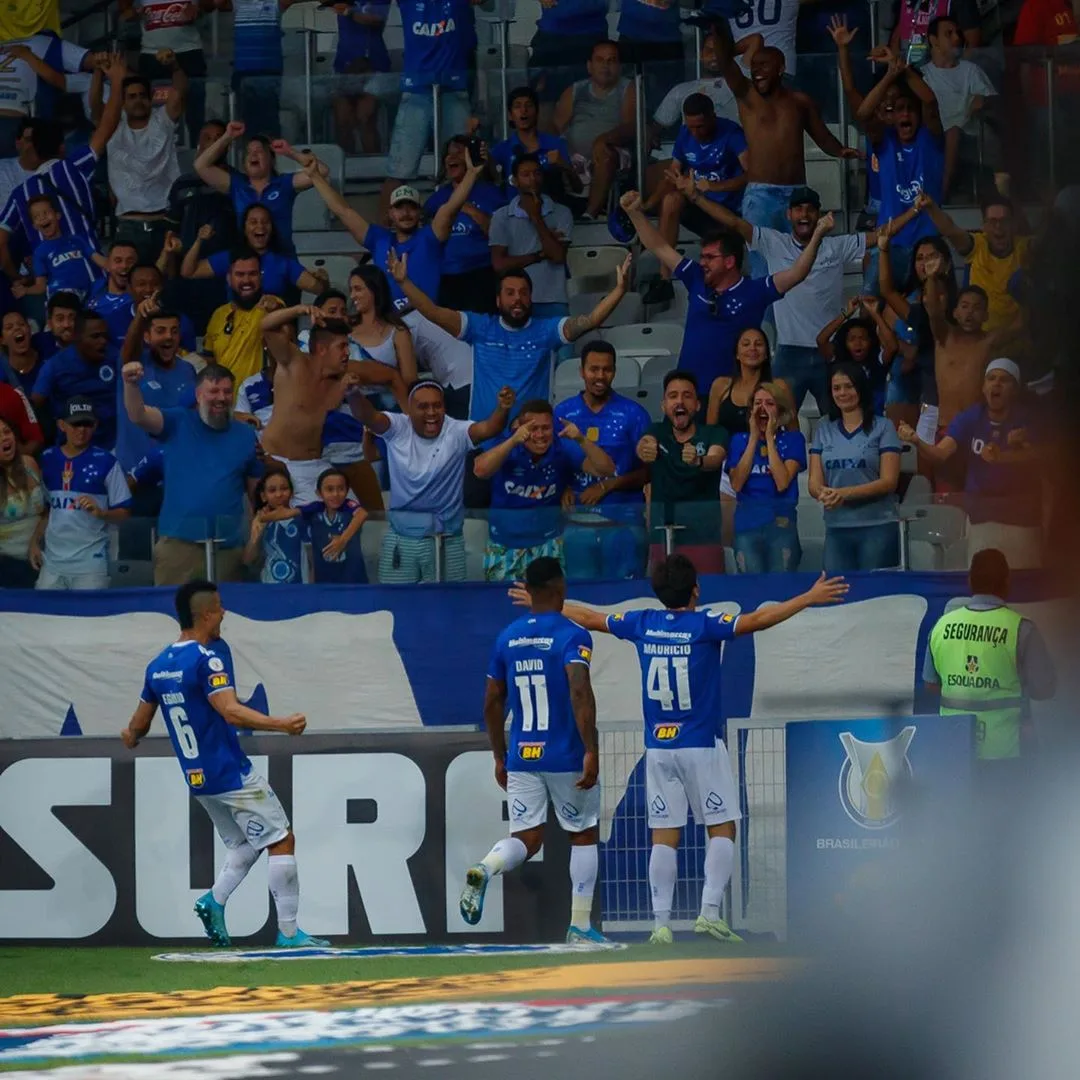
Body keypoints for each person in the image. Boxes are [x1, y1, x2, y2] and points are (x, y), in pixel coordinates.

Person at [514, 553, 848, 944]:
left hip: (658, 748)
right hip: (701, 744)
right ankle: (708, 913)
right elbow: (757, 620)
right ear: (696, 590)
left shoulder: (642, 622)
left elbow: (591, 617)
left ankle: (660, 925)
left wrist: (547, 604)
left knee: (664, 834)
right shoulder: (705, 625)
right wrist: (807, 597)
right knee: (722, 826)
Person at [121, 579, 328, 949]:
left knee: (246, 846)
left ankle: (213, 901)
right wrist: (281, 724)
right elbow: (230, 711)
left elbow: (137, 726)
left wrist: (130, 737)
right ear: (205, 615)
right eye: (218, 607)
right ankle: (290, 934)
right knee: (282, 839)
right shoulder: (207, 658)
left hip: (197, 778)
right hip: (229, 769)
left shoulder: (157, 666)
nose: (224, 613)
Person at [459, 555, 607, 944]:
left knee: (527, 838)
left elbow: (492, 700)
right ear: (560, 589)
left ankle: (486, 867)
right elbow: (579, 690)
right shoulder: (573, 636)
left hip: (523, 753)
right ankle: (579, 926)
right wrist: (589, 748)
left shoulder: (507, 636)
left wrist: (498, 753)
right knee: (583, 833)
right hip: (565, 753)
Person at [672, 182, 900, 411]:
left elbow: (882, 234)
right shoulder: (773, 242)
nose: (804, 214)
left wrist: (917, 210)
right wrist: (695, 196)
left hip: (830, 352)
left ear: (818, 215)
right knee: (774, 421)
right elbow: (734, 222)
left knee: (838, 421)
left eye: (810, 209)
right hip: (788, 353)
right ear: (788, 214)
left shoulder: (836, 245)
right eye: (798, 209)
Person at [387, 249, 632, 441]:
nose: (518, 299)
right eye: (510, 293)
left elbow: (590, 321)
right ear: (498, 299)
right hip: (484, 440)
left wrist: (620, 291)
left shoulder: (547, 331)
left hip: (533, 441)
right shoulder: (479, 327)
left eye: (524, 293)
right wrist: (404, 282)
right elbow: (432, 311)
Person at [621, 189, 832, 390]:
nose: (702, 262)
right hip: (690, 394)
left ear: (730, 261)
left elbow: (797, 273)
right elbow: (659, 246)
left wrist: (817, 235)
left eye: (710, 258)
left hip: (733, 396)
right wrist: (634, 213)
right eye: (702, 257)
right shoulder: (695, 277)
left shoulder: (755, 291)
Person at [711, 21, 857, 276]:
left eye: (764, 65)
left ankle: (795, 314)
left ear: (781, 68)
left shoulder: (800, 101)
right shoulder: (746, 95)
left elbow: (821, 135)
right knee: (763, 266)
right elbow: (725, 62)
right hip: (761, 196)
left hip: (797, 195)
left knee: (799, 261)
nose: (757, 71)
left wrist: (840, 150)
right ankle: (768, 318)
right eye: (754, 66)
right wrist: (718, 26)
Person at [347, 379, 515, 583]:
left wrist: (503, 409)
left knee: (449, 607)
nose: (432, 412)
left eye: (437, 405)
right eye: (423, 406)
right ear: (409, 409)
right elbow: (368, 416)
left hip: (447, 539)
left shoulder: (456, 431)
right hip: (402, 538)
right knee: (397, 605)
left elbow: (489, 428)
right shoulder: (398, 427)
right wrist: (353, 393)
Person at [121, 361, 263, 585]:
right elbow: (138, 415)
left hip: (228, 549)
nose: (221, 397)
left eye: (227, 391)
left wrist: (254, 543)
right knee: (173, 617)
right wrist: (131, 385)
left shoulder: (246, 435)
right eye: (213, 391)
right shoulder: (177, 421)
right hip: (178, 546)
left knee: (229, 617)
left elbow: (257, 495)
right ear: (198, 395)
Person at [897, 358, 1044, 569]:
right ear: (983, 387)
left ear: (1015, 389)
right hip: (981, 518)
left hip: (1021, 520)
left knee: (1024, 590)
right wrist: (916, 441)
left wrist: (1023, 446)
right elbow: (939, 455)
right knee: (983, 584)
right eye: (991, 379)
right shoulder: (970, 418)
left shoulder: (1029, 420)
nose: (996, 384)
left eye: (1004, 380)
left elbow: (1047, 459)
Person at [924, 547, 1055, 776]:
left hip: (952, 750)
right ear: (1007, 582)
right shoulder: (1021, 629)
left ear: (970, 581)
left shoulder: (942, 625)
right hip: (1007, 753)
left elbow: (931, 684)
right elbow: (1044, 689)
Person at [304, 149, 485, 313]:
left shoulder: (430, 237)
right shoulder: (378, 239)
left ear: (420, 212)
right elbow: (343, 211)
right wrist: (315, 177)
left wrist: (470, 175)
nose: (406, 213)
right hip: (391, 325)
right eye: (399, 208)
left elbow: (451, 207)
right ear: (390, 213)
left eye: (411, 207)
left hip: (430, 323)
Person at [260, 306, 402, 506]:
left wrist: (353, 393)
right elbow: (266, 326)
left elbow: (390, 376)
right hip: (278, 463)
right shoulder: (294, 362)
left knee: (352, 513)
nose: (347, 353)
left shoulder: (343, 378)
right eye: (342, 346)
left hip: (315, 464)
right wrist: (300, 310)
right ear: (322, 349)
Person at [0, 56, 127, 274]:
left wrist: (15, 279)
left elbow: (0, 241)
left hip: (52, 286)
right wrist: (117, 82)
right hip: (91, 275)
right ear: (62, 148)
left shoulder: (20, 193)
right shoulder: (73, 167)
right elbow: (107, 125)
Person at [474, 400, 614, 581]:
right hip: (504, 544)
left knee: (549, 603)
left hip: (547, 543)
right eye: (533, 428)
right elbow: (480, 470)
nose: (540, 435)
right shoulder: (508, 444)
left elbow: (607, 469)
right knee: (503, 605)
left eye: (546, 428)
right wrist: (513, 440)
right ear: (522, 429)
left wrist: (581, 439)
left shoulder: (562, 447)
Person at [553, 339, 650, 580]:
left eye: (606, 369)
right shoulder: (562, 413)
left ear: (614, 372)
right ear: (581, 371)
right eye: (593, 369)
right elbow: (551, 461)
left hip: (624, 523)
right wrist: (562, 486)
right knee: (580, 601)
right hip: (576, 523)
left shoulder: (634, 414)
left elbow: (649, 472)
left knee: (626, 599)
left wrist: (608, 485)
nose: (600, 375)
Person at [642, 95, 748, 303]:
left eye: (700, 127)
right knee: (671, 199)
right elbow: (672, 174)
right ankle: (664, 280)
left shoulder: (732, 133)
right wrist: (648, 204)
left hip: (728, 212)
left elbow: (752, 174)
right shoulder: (685, 135)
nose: (695, 132)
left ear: (712, 118)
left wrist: (714, 186)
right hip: (698, 205)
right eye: (691, 127)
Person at [856, 48, 945, 290]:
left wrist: (901, 67)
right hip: (889, 244)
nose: (905, 114)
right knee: (869, 308)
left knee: (928, 314)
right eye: (898, 109)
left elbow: (929, 100)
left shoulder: (931, 139)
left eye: (909, 108)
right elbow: (863, 113)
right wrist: (889, 75)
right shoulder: (885, 140)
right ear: (892, 115)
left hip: (927, 246)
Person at [379, 0, 474, 218]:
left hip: (454, 88)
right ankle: (381, 240)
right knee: (399, 170)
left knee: (462, 165)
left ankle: (464, 228)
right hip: (417, 90)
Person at [809, 362, 902, 572]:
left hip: (877, 527)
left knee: (876, 598)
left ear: (860, 388)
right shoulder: (823, 428)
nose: (843, 393)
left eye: (849, 386)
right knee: (837, 597)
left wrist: (842, 494)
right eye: (836, 388)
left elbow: (889, 481)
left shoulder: (884, 427)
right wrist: (823, 494)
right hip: (836, 528)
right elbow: (814, 484)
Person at [33, 397, 132, 590]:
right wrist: (34, 543)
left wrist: (102, 514)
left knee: (90, 620)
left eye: (87, 424)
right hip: (52, 564)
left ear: (95, 426)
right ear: (62, 425)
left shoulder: (107, 462)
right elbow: (47, 511)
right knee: (46, 619)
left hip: (91, 565)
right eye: (75, 424)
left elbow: (125, 512)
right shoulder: (47, 459)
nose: (82, 430)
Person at [638, 370, 729, 573]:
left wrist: (698, 460)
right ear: (663, 406)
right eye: (673, 396)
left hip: (704, 538)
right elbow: (645, 444)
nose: (679, 401)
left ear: (697, 405)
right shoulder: (655, 431)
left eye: (687, 396)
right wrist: (645, 449)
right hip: (662, 537)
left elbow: (716, 458)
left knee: (712, 598)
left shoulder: (714, 433)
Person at [194, 123, 329, 254]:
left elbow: (322, 171)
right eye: (248, 152)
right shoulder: (237, 184)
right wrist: (227, 136)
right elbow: (200, 166)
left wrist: (290, 152)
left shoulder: (284, 184)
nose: (253, 155)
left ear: (271, 159)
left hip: (283, 262)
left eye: (259, 151)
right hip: (247, 265)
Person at [915, 191, 1030, 336]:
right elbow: (950, 229)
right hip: (979, 343)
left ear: (1013, 224)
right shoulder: (977, 246)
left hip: (1017, 342)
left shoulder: (1026, 248)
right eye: (992, 221)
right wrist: (931, 207)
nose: (998, 227)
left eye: (1004, 220)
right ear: (984, 226)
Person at [877, 230, 956, 432]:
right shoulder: (917, 309)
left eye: (931, 257)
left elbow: (935, 311)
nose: (925, 263)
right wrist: (884, 249)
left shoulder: (960, 305)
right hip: (919, 390)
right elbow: (887, 291)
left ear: (946, 262)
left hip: (951, 393)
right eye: (920, 258)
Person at [107, 65, 187, 264]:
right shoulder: (112, 125)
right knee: (133, 288)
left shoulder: (163, 119)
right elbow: (95, 108)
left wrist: (174, 64)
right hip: (128, 225)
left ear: (150, 98)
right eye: (131, 96)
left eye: (142, 95)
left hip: (165, 221)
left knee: (168, 287)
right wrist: (100, 74)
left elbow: (180, 91)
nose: (138, 100)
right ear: (123, 101)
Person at [552, 41, 637, 220]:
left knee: (604, 154)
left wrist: (604, 139)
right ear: (589, 66)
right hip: (574, 156)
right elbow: (556, 128)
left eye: (611, 60)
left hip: (614, 149)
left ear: (619, 66)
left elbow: (631, 127)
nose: (605, 66)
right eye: (600, 60)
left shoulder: (628, 88)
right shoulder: (575, 89)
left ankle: (590, 213)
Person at [726, 383, 806, 572]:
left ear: (780, 409)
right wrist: (754, 438)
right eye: (757, 403)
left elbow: (782, 482)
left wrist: (770, 438)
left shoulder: (794, 440)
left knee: (782, 586)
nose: (762, 408)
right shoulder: (738, 440)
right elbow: (736, 484)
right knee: (751, 586)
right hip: (746, 526)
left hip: (781, 525)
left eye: (769, 403)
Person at [116, 293, 197, 473]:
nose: (169, 336)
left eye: (174, 331)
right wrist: (139, 317)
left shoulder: (188, 370)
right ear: (146, 336)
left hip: (174, 471)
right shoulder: (134, 365)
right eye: (160, 331)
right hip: (131, 474)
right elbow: (129, 352)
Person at [425, 137, 506, 312]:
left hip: (481, 273)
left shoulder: (491, 193)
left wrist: (467, 208)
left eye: (458, 152)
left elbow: (501, 235)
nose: (451, 157)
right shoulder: (435, 200)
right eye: (448, 154)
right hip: (446, 277)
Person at [488, 154, 574, 319]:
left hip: (553, 300)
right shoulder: (502, 216)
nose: (533, 179)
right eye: (525, 175)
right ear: (515, 181)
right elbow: (499, 264)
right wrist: (540, 255)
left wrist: (536, 218)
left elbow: (557, 256)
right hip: (516, 301)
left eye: (537, 173)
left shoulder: (561, 212)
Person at [919, 15, 997, 194]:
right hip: (935, 136)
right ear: (933, 41)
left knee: (954, 133)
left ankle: (940, 196)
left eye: (957, 33)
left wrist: (983, 101)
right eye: (949, 34)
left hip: (971, 135)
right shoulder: (923, 75)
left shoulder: (971, 70)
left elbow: (992, 99)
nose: (957, 38)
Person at [182, 210, 329, 300]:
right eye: (253, 222)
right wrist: (199, 241)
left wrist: (323, 279)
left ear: (272, 229)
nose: (260, 226)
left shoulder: (282, 263)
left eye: (265, 222)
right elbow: (189, 272)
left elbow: (319, 289)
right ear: (244, 228)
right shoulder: (230, 257)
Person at [120, 0, 207, 145]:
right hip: (151, 53)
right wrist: (135, 13)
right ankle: (153, 148)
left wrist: (198, 9)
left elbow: (210, 6)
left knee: (194, 110)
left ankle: (197, 152)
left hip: (188, 51)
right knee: (153, 110)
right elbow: (124, 11)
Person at [31, 311, 120, 451]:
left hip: (114, 443)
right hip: (72, 447)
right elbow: (35, 402)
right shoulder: (55, 366)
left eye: (105, 336)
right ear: (77, 338)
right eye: (95, 336)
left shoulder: (115, 357)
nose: (103, 341)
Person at [202, 254, 282, 390]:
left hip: (258, 402)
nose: (246, 280)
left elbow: (285, 342)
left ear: (261, 277)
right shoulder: (219, 314)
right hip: (224, 400)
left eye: (252, 274)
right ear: (229, 278)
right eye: (240, 274)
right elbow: (210, 360)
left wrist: (276, 310)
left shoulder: (272, 306)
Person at [491, 87, 579, 200]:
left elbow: (577, 189)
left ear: (537, 111)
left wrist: (565, 166)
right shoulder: (501, 150)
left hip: (551, 212)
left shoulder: (556, 144)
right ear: (510, 115)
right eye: (517, 106)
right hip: (514, 214)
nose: (523, 110)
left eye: (529, 105)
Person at [15, 194, 105, 303]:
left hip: (86, 295)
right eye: (36, 216)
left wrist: (116, 263)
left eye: (46, 213)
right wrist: (26, 290)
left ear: (57, 215)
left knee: (102, 284)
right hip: (60, 297)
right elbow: (40, 286)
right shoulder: (39, 252)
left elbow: (100, 260)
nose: (42, 217)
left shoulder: (76, 240)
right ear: (34, 225)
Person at [330, 0, 393, 155]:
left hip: (374, 65)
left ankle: (374, 169)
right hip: (344, 65)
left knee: (365, 117)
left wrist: (348, 11)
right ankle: (347, 170)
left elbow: (376, 20)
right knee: (343, 120)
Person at [815, 296, 895, 416]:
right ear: (844, 343)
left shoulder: (877, 359)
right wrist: (846, 314)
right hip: (843, 420)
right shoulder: (838, 360)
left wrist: (875, 314)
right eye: (852, 339)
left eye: (863, 338)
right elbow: (821, 340)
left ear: (871, 341)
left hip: (874, 419)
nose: (858, 343)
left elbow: (892, 346)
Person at [301, 466, 368, 584]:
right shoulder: (314, 512)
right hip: (324, 581)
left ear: (347, 491)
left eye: (341, 489)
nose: (336, 494)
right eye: (329, 489)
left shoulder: (349, 509)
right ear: (319, 493)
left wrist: (343, 540)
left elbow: (362, 514)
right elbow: (290, 513)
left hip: (353, 580)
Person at [0, 416, 44, 587]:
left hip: (43, 553)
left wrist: (35, 541)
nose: (4, 438)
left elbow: (47, 512)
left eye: (6, 431)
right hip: (7, 563)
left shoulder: (29, 463)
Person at [244, 466, 305, 584]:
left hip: (299, 588)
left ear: (292, 492)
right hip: (269, 588)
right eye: (272, 490)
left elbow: (310, 559)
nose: (279, 494)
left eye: (284, 489)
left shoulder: (302, 519)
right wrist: (256, 536)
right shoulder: (260, 521)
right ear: (263, 496)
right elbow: (248, 560)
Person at [86, 240, 139, 347]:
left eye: (130, 261)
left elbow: (151, 277)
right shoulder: (96, 287)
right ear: (108, 265)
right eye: (118, 260)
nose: (124, 266)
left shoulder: (138, 299)